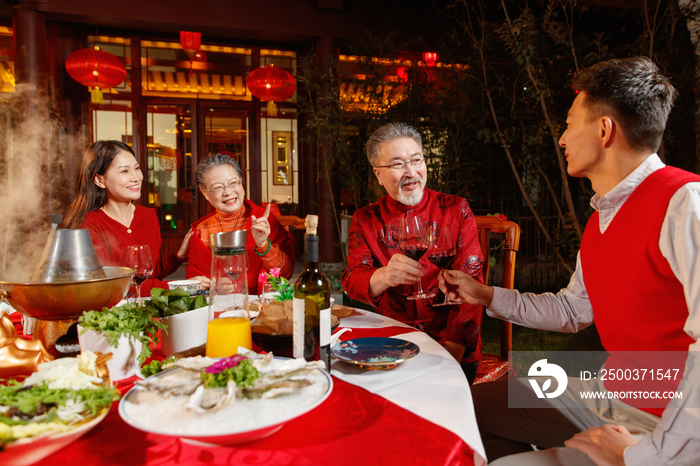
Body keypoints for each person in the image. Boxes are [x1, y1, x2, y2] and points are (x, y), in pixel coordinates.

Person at [439, 57, 700, 466]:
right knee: (471, 408)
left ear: (604, 129)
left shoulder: (685, 203)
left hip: (662, 422)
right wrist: (484, 293)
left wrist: (644, 456)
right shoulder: (602, 218)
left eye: (568, 123)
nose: (561, 138)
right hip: (614, 394)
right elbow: (573, 309)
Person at [341, 122, 484, 384]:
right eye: (397, 164)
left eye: (416, 160)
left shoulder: (455, 209)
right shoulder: (366, 218)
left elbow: (472, 289)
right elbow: (352, 280)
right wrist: (384, 276)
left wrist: (451, 354)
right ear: (378, 175)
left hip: (451, 347)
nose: (411, 172)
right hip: (391, 344)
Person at [60, 140, 193, 294]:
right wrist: (181, 287)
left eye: (137, 168)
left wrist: (178, 256)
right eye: (124, 171)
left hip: (146, 310)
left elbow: (149, 275)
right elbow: (114, 286)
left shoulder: (148, 216)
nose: (136, 177)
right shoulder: (88, 224)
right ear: (99, 180)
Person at [186, 153, 294, 294]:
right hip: (218, 310)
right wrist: (213, 288)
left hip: (259, 308)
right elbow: (193, 287)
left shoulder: (263, 220)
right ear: (204, 193)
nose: (228, 192)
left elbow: (286, 274)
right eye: (218, 187)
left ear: (241, 183)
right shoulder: (202, 231)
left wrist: (263, 245)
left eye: (233, 183)